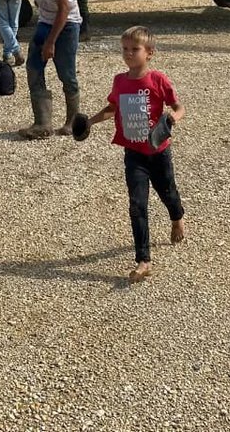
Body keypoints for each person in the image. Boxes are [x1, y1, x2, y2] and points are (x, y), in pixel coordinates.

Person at [86, 26, 186, 284]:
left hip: (158, 151)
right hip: (134, 154)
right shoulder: (120, 81)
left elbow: (178, 107)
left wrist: (172, 118)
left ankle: (177, 218)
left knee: (169, 194)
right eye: (125, 49)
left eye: (135, 49)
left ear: (149, 53)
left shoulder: (158, 80)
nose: (129, 54)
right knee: (137, 205)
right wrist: (89, 122)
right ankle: (144, 259)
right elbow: (111, 109)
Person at [16, 0, 82, 139]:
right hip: (46, 20)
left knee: (66, 72)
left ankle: (72, 121)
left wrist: (50, 42)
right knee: (34, 67)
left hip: (67, 22)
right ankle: (42, 123)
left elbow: (64, 8)